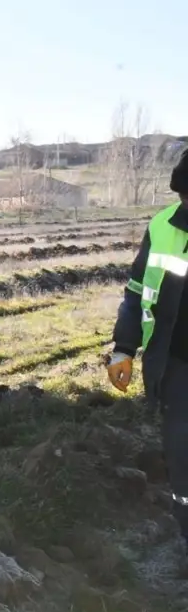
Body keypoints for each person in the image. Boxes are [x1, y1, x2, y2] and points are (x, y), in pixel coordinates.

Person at [106, 148, 188, 551]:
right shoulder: (162, 226)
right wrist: (123, 348)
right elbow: (138, 291)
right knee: (181, 457)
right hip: (176, 366)